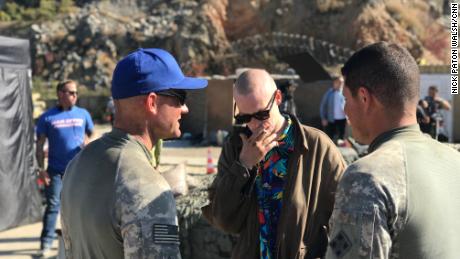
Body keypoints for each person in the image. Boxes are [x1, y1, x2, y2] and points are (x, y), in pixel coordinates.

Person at [60, 48, 207, 258]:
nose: (184, 109)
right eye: (179, 97)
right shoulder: (148, 188)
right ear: (152, 102)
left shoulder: (77, 164)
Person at [326, 42, 460, 259]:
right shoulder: (454, 161)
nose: (344, 110)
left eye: (346, 99)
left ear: (364, 98)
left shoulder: (366, 177)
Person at [202, 69, 346, 259]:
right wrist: (244, 165)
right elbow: (225, 221)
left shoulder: (317, 146)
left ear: (278, 97)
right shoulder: (236, 147)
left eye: (261, 114)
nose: (254, 125)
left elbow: (348, 215)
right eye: (244, 118)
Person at [35, 79, 94, 254]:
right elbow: (39, 145)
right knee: (53, 205)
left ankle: (77, 242)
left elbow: (90, 134)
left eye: (76, 93)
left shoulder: (83, 114)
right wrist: (41, 169)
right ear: (60, 94)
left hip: (78, 170)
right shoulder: (47, 117)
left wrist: (86, 142)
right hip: (54, 171)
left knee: (79, 205)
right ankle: (46, 244)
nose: (75, 96)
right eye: (71, 92)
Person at [320, 76, 347, 143]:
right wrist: (323, 118)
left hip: (343, 119)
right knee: (330, 137)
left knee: (341, 137)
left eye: (342, 82)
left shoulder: (345, 92)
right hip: (331, 119)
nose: (341, 84)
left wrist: (349, 117)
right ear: (334, 83)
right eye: (339, 82)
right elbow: (323, 106)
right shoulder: (329, 93)